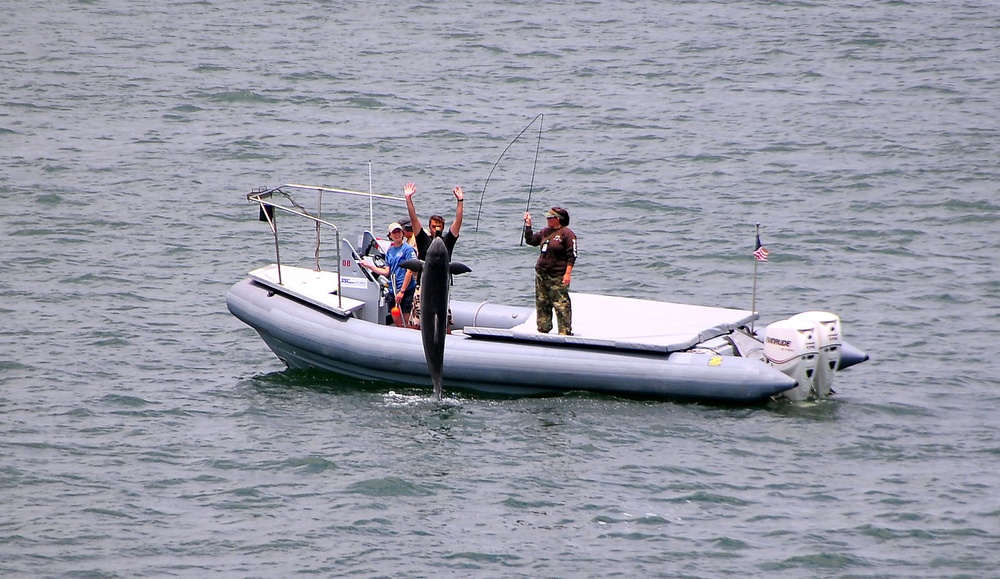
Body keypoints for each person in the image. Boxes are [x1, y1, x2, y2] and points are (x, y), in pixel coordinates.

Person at [403, 182, 465, 328]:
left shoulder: (447, 241)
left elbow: (458, 221)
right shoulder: (423, 239)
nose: (436, 228)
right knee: (416, 324)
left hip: (442, 288)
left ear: (442, 227)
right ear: (429, 227)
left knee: (444, 325)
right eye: (433, 226)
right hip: (423, 287)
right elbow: (413, 220)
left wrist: (460, 201)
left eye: (439, 226)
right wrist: (408, 199)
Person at [523, 207, 577, 336]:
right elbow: (531, 241)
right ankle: (543, 329)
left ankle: (564, 331)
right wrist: (528, 225)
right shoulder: (545, 232)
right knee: (542, 302)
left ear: (557, 219)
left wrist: (567, 274)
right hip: (542, 274)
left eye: (550, 218)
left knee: (561, 304)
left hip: (557, 275)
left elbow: (572, 256)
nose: (547, 220)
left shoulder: (567, 234)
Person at [358, 221, 417, 325]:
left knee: (407, 319)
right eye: (394, 232)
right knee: (396, 318)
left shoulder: (408, 249)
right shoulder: (390, 251)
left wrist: (402, 291)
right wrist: (369, 266)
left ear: (402, 233)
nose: (397, 234)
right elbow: (387, 271)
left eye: (399, 231)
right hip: (393, 290)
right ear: (390, 235)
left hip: (406, 290)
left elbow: (410, 271)